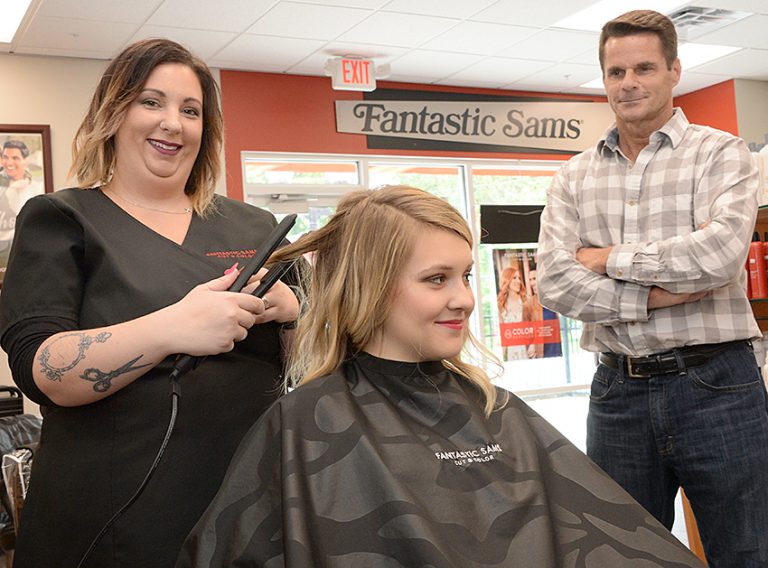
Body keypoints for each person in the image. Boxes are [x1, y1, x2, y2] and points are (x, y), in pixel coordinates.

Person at [177, 185, 704, 568]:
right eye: (437, 279)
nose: (466, 298)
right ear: (372, 286)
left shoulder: (495, 408)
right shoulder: (305, 424)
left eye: (466, 275)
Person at [0, 39, 300, 568]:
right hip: (111, 514)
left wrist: (294, 310)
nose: (173, 123)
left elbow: (310, 366)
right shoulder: (62, 219)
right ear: (114, 112)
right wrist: (171, 327)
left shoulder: (256, 227)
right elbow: (41, 367)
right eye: (151, 102)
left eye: (190, 111)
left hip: (246, 502)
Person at [537, 9, 768, 568]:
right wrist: (652, 296)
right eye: (616, 72)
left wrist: (607, 259)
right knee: (622, 553)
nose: (629, 83)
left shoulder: (721, 153)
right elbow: (553, 280)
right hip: (616, 393)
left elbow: (718, 257)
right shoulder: (574, 175)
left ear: (674, 72)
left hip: (718, 385)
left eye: (644, 68)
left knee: (747, 550)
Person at [0, 140, 44, 278]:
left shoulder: (38, 188)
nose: (9, 163)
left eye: (15, 158)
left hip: (30, 255)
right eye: (5, 157)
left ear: (26, 160)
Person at [522, 269, 562, 359]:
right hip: (542, 351)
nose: (532, 283)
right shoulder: (528, 304)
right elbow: (524, 329)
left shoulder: (555, 299)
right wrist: (530, 344)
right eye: (530, 280)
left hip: (558, 348)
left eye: (534, 278)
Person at [496, 265, 527, 360]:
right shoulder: (501, 305)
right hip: (512, 353)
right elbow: (502, 334)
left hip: (527, 350)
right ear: (507, 280)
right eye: (514, 278)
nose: (518, 281)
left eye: (519, 278)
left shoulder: (525, 301)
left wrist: (534, 346)